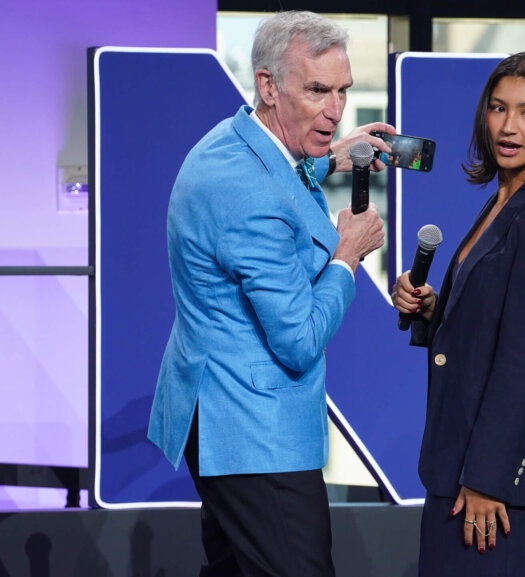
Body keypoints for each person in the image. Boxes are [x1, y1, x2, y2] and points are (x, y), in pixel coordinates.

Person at [147, 11, 393, 576]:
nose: (335, 109)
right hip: (254, 433)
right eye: (317, 91)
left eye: (342, 91)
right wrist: (347, 257)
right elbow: (299, 340)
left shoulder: (235, 143)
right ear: (268, 86)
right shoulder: (247, 191)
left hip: (222, 417)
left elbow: (276, 177)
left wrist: (330, 159)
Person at [390, 51, 525, 576]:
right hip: (461, 468)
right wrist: (434, 311)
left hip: (502, 492)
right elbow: (494, 324)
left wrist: (486, 478)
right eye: (499, 109)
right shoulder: (506, 199)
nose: (509, 127)